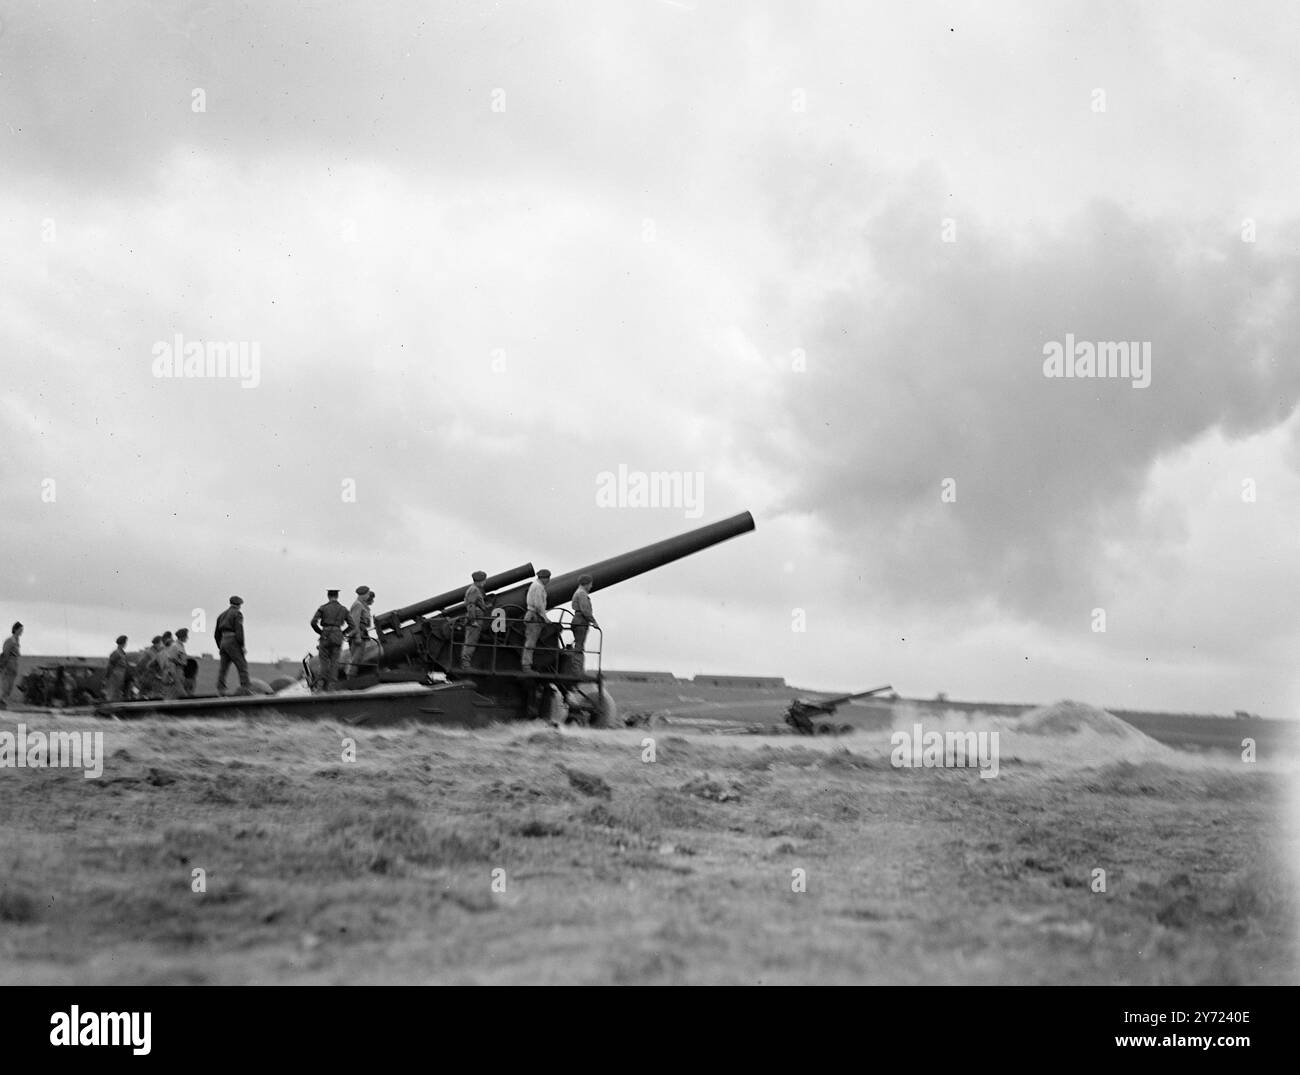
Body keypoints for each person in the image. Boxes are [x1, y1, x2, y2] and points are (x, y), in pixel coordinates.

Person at [310, 588, 350, 691]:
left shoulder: (323, 608)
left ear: (328, 596)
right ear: (337, 596)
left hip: (325, 635)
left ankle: (320, 685)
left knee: (323, 661)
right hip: (337, 635)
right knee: (334, 662)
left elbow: (313, 622)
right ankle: (332, 686)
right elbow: (352, 625)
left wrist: (321, 632)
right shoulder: (343, 609)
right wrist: (342, 633)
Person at [215, 596, 251, 696]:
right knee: (242, 665)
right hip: (233, 641)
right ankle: (245, 689)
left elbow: (216, 634)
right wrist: (242, 645)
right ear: (239, 605)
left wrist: (221, 645)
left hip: (223, 641)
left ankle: (220, 689)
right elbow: (239, 630)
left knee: (223, 668)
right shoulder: (237, 614)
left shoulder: (221, 615)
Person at [521, 569, 550, 671]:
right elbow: (538, 604)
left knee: (531, 641)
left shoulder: (535, 585)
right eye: (548, 578)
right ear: (545, 578)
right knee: (531, 642)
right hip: (534, 616)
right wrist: (545, 617)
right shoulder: (538, 587)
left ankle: (528, 664)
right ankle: (526, 666)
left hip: (532, 614)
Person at [460, 571, 491, 669]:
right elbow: (471, 605)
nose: (485, 582)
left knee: (471, 641)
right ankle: (465, 664)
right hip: (475, 620)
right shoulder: (474, 590)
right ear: (480, 581)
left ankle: (466, 662)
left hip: (476, 618)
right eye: (484, 580)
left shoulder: (475, 589)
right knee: (470, 642)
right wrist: (473, 621)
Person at [570, 574, 599, 671]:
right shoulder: (582, 594)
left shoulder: (578, 592)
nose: (591, 586)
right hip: (581, 621)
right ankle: (577, 669)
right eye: (590, 584)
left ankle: (576, 668)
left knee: (578, 645)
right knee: (579, 646)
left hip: (577, 620)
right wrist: (594, 621)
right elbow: (585, 610)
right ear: (586, 584)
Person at [347, 586, 372, 677]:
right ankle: (350, 679)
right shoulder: (357, 605)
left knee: (358, 658)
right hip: (358, 635)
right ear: (364, 594)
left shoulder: (361, 605)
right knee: (355, 659)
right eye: (368, 594)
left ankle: (352, 677)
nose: (369, 596)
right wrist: (357, 637)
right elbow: (354, 623)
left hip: (362, 634)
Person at [0, 622, 22, 708]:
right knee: (6, 685)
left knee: (10, 685)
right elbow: (6, 653)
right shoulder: (10, 640)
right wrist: (2, 665)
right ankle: (1, 702)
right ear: (15, 630)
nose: (21, 632)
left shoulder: (17, 640)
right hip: (8, 664)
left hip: (14, 665)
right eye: (20, 630)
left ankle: (3, 701)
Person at [105, 635, 130, 701]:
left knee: (118, 693)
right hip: (114, 676)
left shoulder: (122, 653)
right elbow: (110, 665)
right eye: (125, 642)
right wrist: (108, 676)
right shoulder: (116, 653)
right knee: (112, 692)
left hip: (120, 676)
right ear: (123, 643)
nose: (126, 644)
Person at [176, 628, 197, 695]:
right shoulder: (177, 646)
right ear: (182, 637)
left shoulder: (180, 645)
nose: (187, 638)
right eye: (186, 636)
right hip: (179, 671)